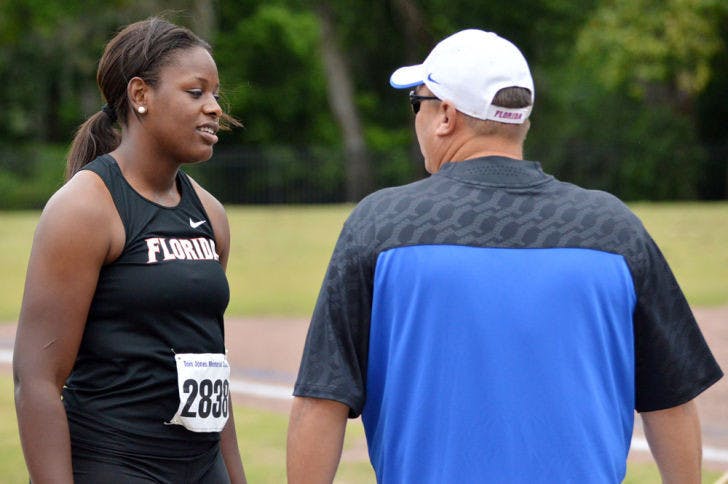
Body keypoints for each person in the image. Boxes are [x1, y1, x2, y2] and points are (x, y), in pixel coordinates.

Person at [287, 29, 723, 483]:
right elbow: (670, 398)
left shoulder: (381, 224)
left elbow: (322, 399)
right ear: (523, 120)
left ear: (445, 116)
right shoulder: (613, 229)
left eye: (417, 102)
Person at [13, 17, 246, 483]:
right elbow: (36, 380)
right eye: (196, 92)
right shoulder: (85, 208)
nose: (215, 108)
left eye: (216, 94)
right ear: (140, 95)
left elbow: (211, 369)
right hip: (118, 463)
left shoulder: (210, 214)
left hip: (202, 466)